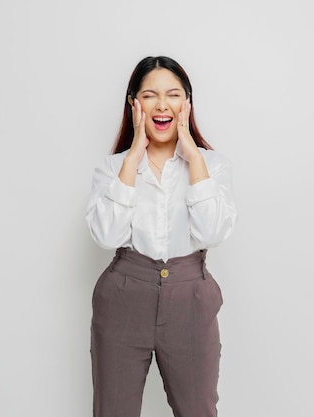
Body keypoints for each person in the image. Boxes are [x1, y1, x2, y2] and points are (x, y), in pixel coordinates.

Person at [85, 55, 237, 417]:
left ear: (187, 103)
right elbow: (106, 236)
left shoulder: (212, 165)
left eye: (173, 94)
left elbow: (212, 232)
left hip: (191, 298)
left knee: (198, 410)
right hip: (124, 295)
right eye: (150, 95)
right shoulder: (112, 168)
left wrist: (193, 158)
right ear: (134, 104)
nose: (162, 105)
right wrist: (134, 155)